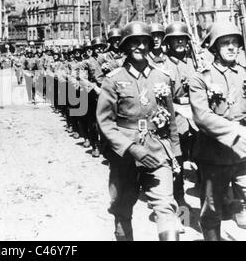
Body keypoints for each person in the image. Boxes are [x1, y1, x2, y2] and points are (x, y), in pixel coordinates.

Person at [96, 21, 181, 241]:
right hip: (125, 155)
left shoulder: (161, 77)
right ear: (125, 46)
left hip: (157, 150)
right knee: (122, 206)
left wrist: (176, 152)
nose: (141, 47)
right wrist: (131, 148)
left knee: (166, 206)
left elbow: (170, 117)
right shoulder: (114, 79)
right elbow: (105, 123)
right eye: (135, 42)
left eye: (145, 42)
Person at [189, 22, 246, 240]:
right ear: (214, 47)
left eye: (235, 43)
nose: (231, 47)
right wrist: (235, 131)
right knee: (212, 209)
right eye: (225, 43)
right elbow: (202, 117)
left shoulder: (243, 73)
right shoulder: (201, 77)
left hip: (242, 153)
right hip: (214, 153)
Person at [163, 22, 197, 209]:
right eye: (175, 39)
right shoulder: (165, 65)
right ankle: (179, 199)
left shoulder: (194, 62)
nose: (180, 42)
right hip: (177, 119)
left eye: (183, 39)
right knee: (177, 162)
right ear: (169, 43)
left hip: (196, 118)